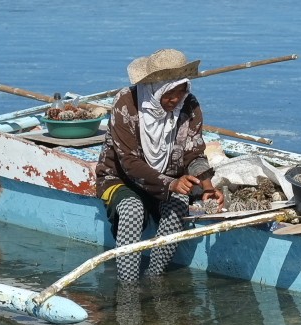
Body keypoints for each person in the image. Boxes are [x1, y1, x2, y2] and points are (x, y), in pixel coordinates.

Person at [95, 49, 225, 281]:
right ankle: (128, 285)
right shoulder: (127, 103)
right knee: (132, 211)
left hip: (170, 178)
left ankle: (155, 277)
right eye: (168, 93)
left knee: (178, 208)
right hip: (122, 178)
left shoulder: (189, 106)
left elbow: (194, 153)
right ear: (154, 88)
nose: (175, 99)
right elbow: (129, 162)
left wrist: (207, 187)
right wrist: (171, 183)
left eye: (180, 91)